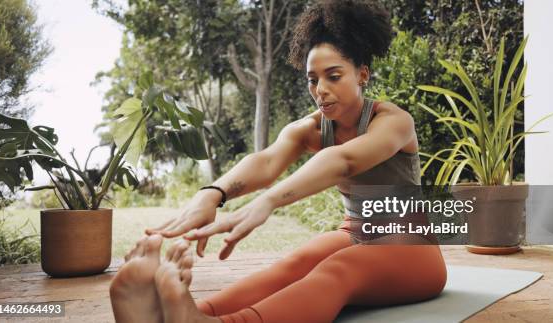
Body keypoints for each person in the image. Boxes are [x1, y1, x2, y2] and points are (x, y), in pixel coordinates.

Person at [109, 1, 447, 322]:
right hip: (354, 233)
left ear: (362, 74)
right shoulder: (311, 128)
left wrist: (268, 201)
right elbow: (267, 160)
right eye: (312, 80)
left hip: (410, 244)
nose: (321, 90)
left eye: (334, 76)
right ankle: (183, 313)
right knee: (292, 265)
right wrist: (212, 193)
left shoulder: (393, 121)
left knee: (340, 268)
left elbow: (344, 160)